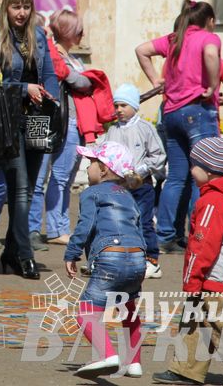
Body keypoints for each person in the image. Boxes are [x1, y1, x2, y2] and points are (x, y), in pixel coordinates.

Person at [152, 137, 223, 386]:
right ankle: (187, 369)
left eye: (194, 165)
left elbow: (202, 246)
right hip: (218, 274)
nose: (191, 170)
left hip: (213, 276)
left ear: (208, 170)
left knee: (220, 324)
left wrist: (192, 279)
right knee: (194, 320)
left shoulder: (213, 202)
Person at [0, 0, 59, 280]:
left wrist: (52, 98)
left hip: (38, 119)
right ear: (6, 9)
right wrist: (24, 88)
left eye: (26, 7)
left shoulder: (38, 36)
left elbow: (49, 74)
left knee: (26, 189)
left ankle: (10, 252)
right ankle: (26, 256)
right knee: (21, 188)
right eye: (16, 7)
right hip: (10, 120)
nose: (21, 13)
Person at [136, 0, 221, 254]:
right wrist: (213, 84)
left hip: (172, 112)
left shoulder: (175, 38)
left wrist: (155, 79)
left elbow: (141, 49)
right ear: (210, 20)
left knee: (176, 178)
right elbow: (210, 55)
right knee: (202, 177)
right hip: (198, 110)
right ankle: (200, 236)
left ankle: (164, 236)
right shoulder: (209, 38)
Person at [64, 142, 145, 380]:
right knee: (129, 310)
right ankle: (134, 363)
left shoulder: (91, 193)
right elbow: (139, 227)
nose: (87, 168)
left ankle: (107, 355)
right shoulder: (129, 196)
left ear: (104, 170)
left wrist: (72, 253)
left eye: (90, 163)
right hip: (137, 258)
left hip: (111, 256)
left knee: (86, 312)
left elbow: (85, 226)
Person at [29, 10, 91, 251]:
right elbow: (81, 82)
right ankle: (43, 229)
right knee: (40, 178)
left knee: (63, 177)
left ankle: (59, 228)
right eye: (78, 30)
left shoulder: (72, 58)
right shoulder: (55, 56)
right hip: (50, 120)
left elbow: (81, 81)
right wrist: (84, 80)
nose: (82, 35)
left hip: (70, 121)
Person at [100, 83, 167, 278]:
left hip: (142, 186)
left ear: (135, 106)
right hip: (118, 187)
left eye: (123, 105)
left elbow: (158, 155)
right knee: (116, 222)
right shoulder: (112, 130)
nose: (119, 110)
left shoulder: (145, 128)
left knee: (144, 222)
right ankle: (115, 259)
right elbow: (106, 153)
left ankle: (152, 261)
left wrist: (141, 170)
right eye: (116, 106)